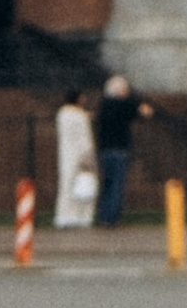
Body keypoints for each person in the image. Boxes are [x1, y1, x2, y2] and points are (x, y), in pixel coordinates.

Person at [92, 73, 151, 230]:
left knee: (107, 184)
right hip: (119, 149)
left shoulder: (104, 106)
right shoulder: (123, 105)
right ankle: (112, 218)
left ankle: (103, 216)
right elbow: (139, 111)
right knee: (117, 185)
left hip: (104, 149)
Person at [51, 89, 96, 228]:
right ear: (78, 99)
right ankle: (82, 217)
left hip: (65, 154)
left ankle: (64, 216)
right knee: (85, 186)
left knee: (66, 185)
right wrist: (88, 155)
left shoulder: (62, 114)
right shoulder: (80, 115)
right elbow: (84, 137)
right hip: (80, 155)